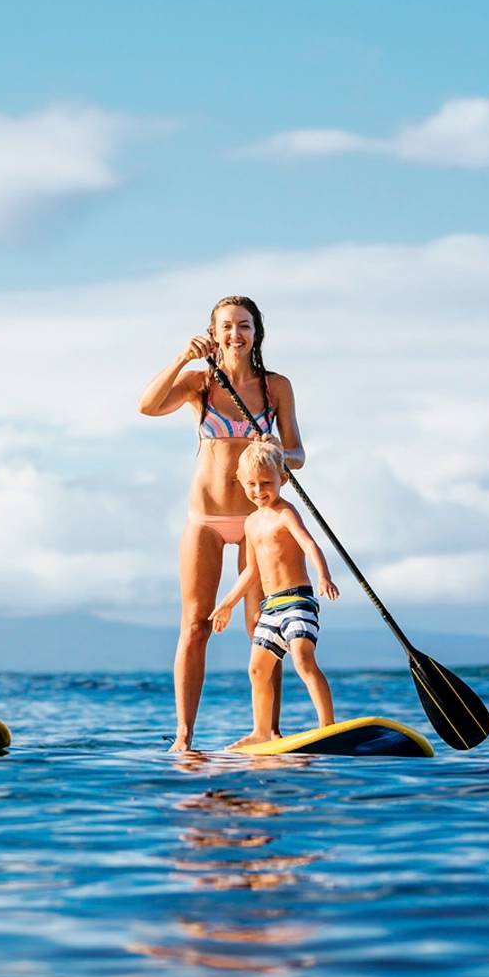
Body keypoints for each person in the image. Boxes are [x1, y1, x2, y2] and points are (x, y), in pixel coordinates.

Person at [138, 295, 304, 752]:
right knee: (195, 625)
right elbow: (147, 407)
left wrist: (277, 451)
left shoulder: (276, 388)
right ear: (214, 333)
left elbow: (299, 455)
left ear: (257, 332)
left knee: (263, 625)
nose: (236, 334)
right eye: (227, 326)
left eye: (244, 325)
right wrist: (181, 358)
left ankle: (267, 732)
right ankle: (185, 738)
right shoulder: (200, 382)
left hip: (259, 521)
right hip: (207, 519)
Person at [209, 437, 338, 745]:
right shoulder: (251, 523)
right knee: (257, 669)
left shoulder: (286, 513)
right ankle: (261, 731)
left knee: (303, 658)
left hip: (297, 601)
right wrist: (226, 603)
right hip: (270, 608)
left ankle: (327, 726)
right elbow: (251, 572)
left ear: (284, 478)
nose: (258, 491)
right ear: (240, 482)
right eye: (251, 484)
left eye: (266, 482)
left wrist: (324, 576)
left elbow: (309, 544)